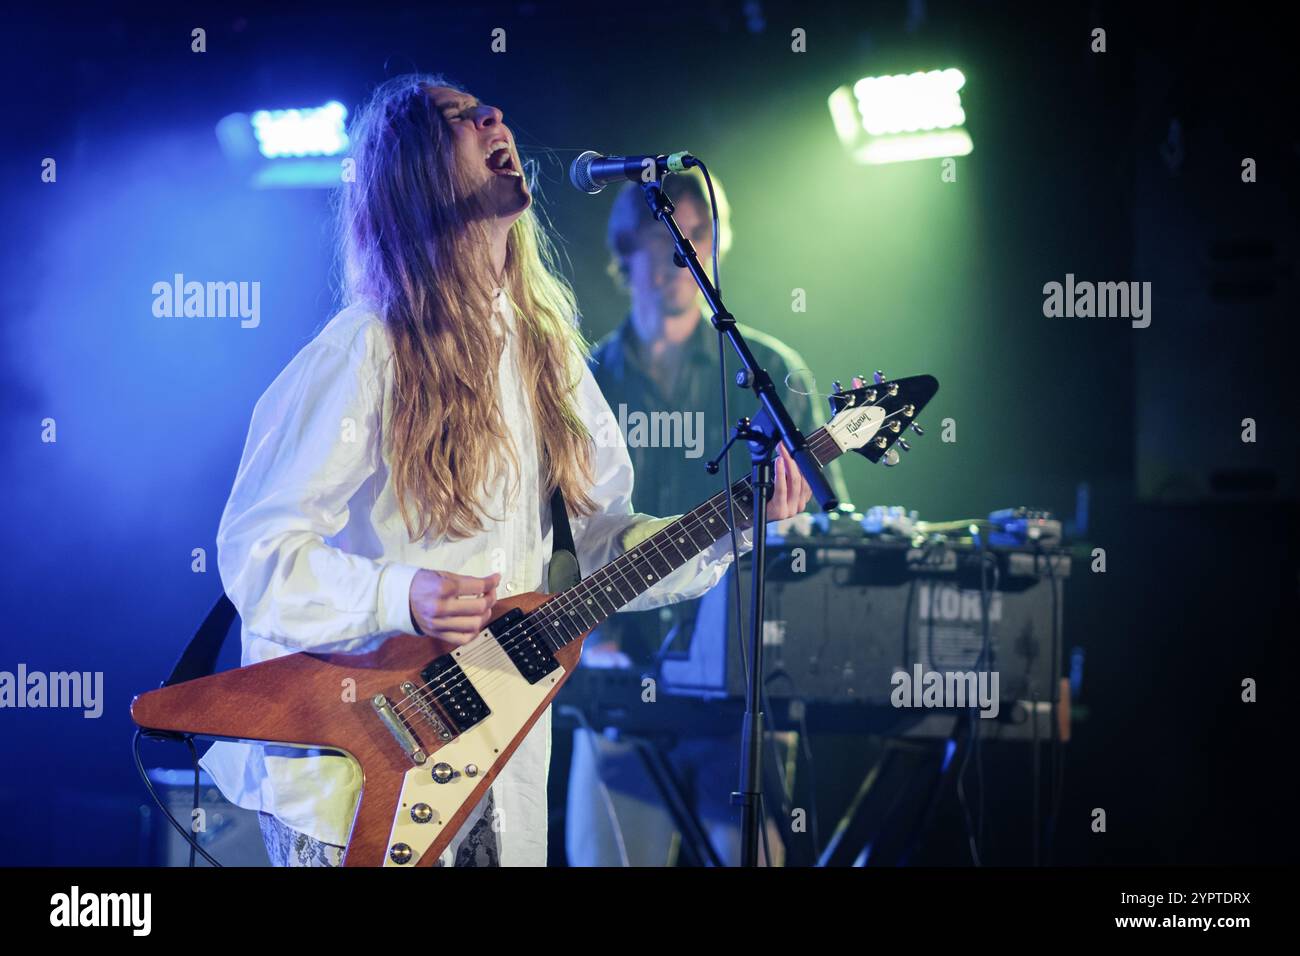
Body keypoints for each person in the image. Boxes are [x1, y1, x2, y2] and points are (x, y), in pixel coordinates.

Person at [197, 74, 812, 867]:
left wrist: (732, 526)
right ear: (415, 171)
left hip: (499, 764)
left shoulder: (548, 354)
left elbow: (602, 544)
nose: (495, 116)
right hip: (362, 774)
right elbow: (259, 553)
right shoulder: (366, 348)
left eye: (490, 109)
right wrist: (399, 594)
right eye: (461, 116)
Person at [566, 169, 848, 866]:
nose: (680, 258)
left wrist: (788, 518)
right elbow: (551, 531)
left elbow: (824, 530)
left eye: (697, 238)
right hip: (610, 678)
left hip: (739, 685)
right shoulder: (580, 380)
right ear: (623, 252)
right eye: (664, 240)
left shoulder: (768, 370)